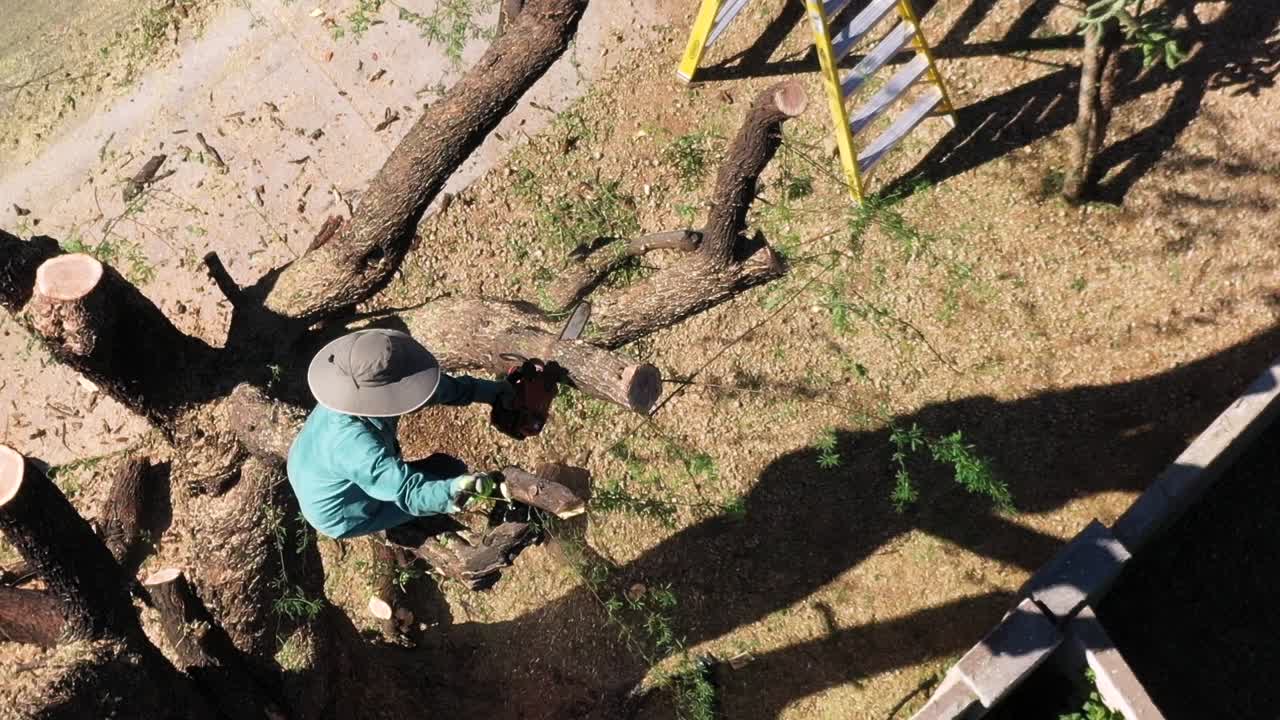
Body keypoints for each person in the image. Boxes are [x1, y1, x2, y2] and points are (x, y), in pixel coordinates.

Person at [286, 328, 513, 540]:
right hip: (341, 514)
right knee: (448, 473)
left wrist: (494, 393)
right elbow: (408, 492)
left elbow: (436, 391)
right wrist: (456, 491)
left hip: (307, 466)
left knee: (440, 469)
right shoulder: (354, 446)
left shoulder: (350, 390)